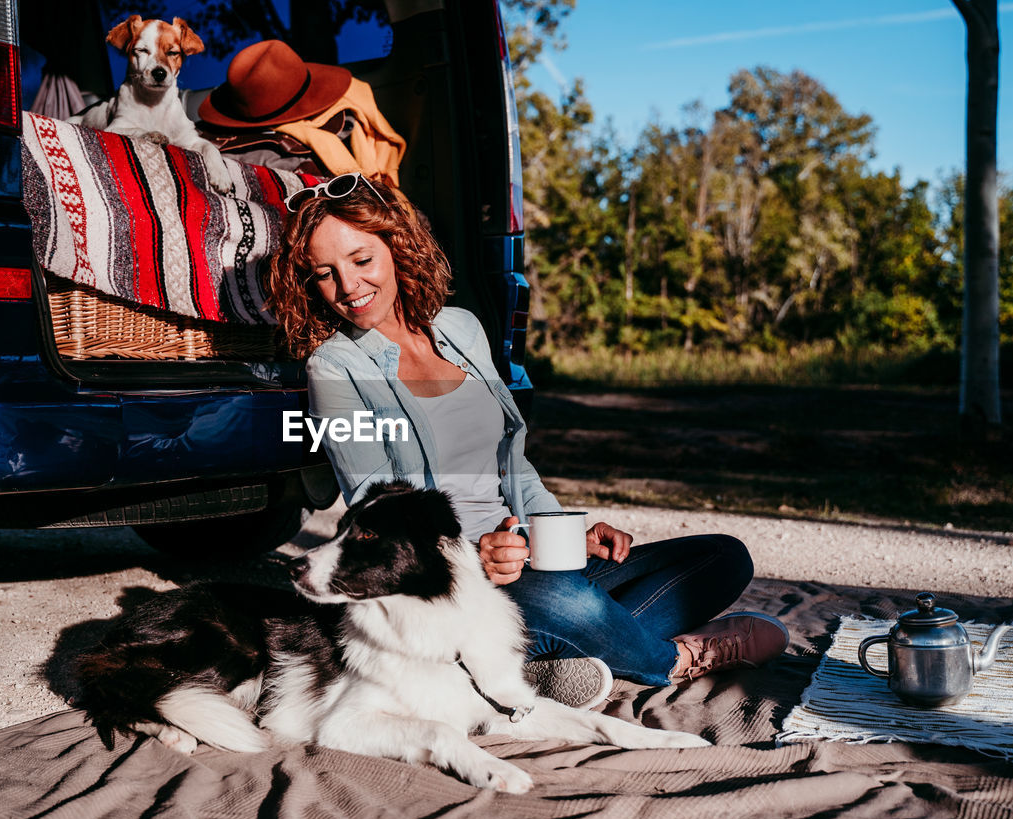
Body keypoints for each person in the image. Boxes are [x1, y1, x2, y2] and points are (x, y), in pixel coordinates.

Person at [268, 173, 788, 708]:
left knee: (723, 557)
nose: (348, 287)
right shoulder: (333, 368)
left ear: (396, 247)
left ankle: (541, 657)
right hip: (450, 582)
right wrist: (476, 555)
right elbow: (376, 514)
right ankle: (670, 661)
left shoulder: (462, 329)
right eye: (324, 274)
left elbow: (512, 465)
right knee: (570, 601)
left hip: (528, 556)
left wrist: (565, 534)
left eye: (360, 260)